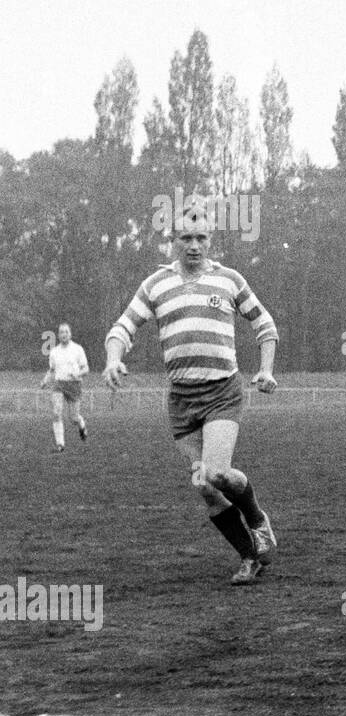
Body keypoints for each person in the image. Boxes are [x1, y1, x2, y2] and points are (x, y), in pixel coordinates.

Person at [103, 203, 281, 586]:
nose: (194, 245)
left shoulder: (230, 280)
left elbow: (264, 324)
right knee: (203, 485)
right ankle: (249, 556)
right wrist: (113, 359)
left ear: (210, 239)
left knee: (217, 473)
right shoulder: (156, 285)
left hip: (222, 391)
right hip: (182, 400)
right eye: (186, 238)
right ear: (173, 241)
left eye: (201, 238)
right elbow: (122, 327)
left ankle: (256, 517)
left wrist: (265, 369)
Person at [40, 322, 90, 452]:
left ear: (70, 334)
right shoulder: (54, 352)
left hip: (74, 385)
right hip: (59, 384)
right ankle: (60, 444)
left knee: (73, 418)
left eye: (66, 332)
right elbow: (51, 370)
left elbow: (86, 369)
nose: (64, 334)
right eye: (61, 332)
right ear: (58, 335)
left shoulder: (78, 349)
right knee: (56, 412)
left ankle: (81, 425)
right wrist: (45, 381)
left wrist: (77, 374)